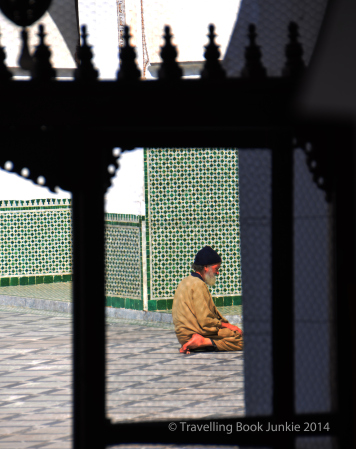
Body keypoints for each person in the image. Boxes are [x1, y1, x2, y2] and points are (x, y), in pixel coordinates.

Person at [172, 245, 243, 354]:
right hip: (193, 333)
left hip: (183, 335)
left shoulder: (185, 281)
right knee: (240, 339)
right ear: (206, 267)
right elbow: (205, 321)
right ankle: (202, 342)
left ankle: (201, 342)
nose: (217, 273)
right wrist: (228, 326)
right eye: (216, 269)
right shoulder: (198, 285)